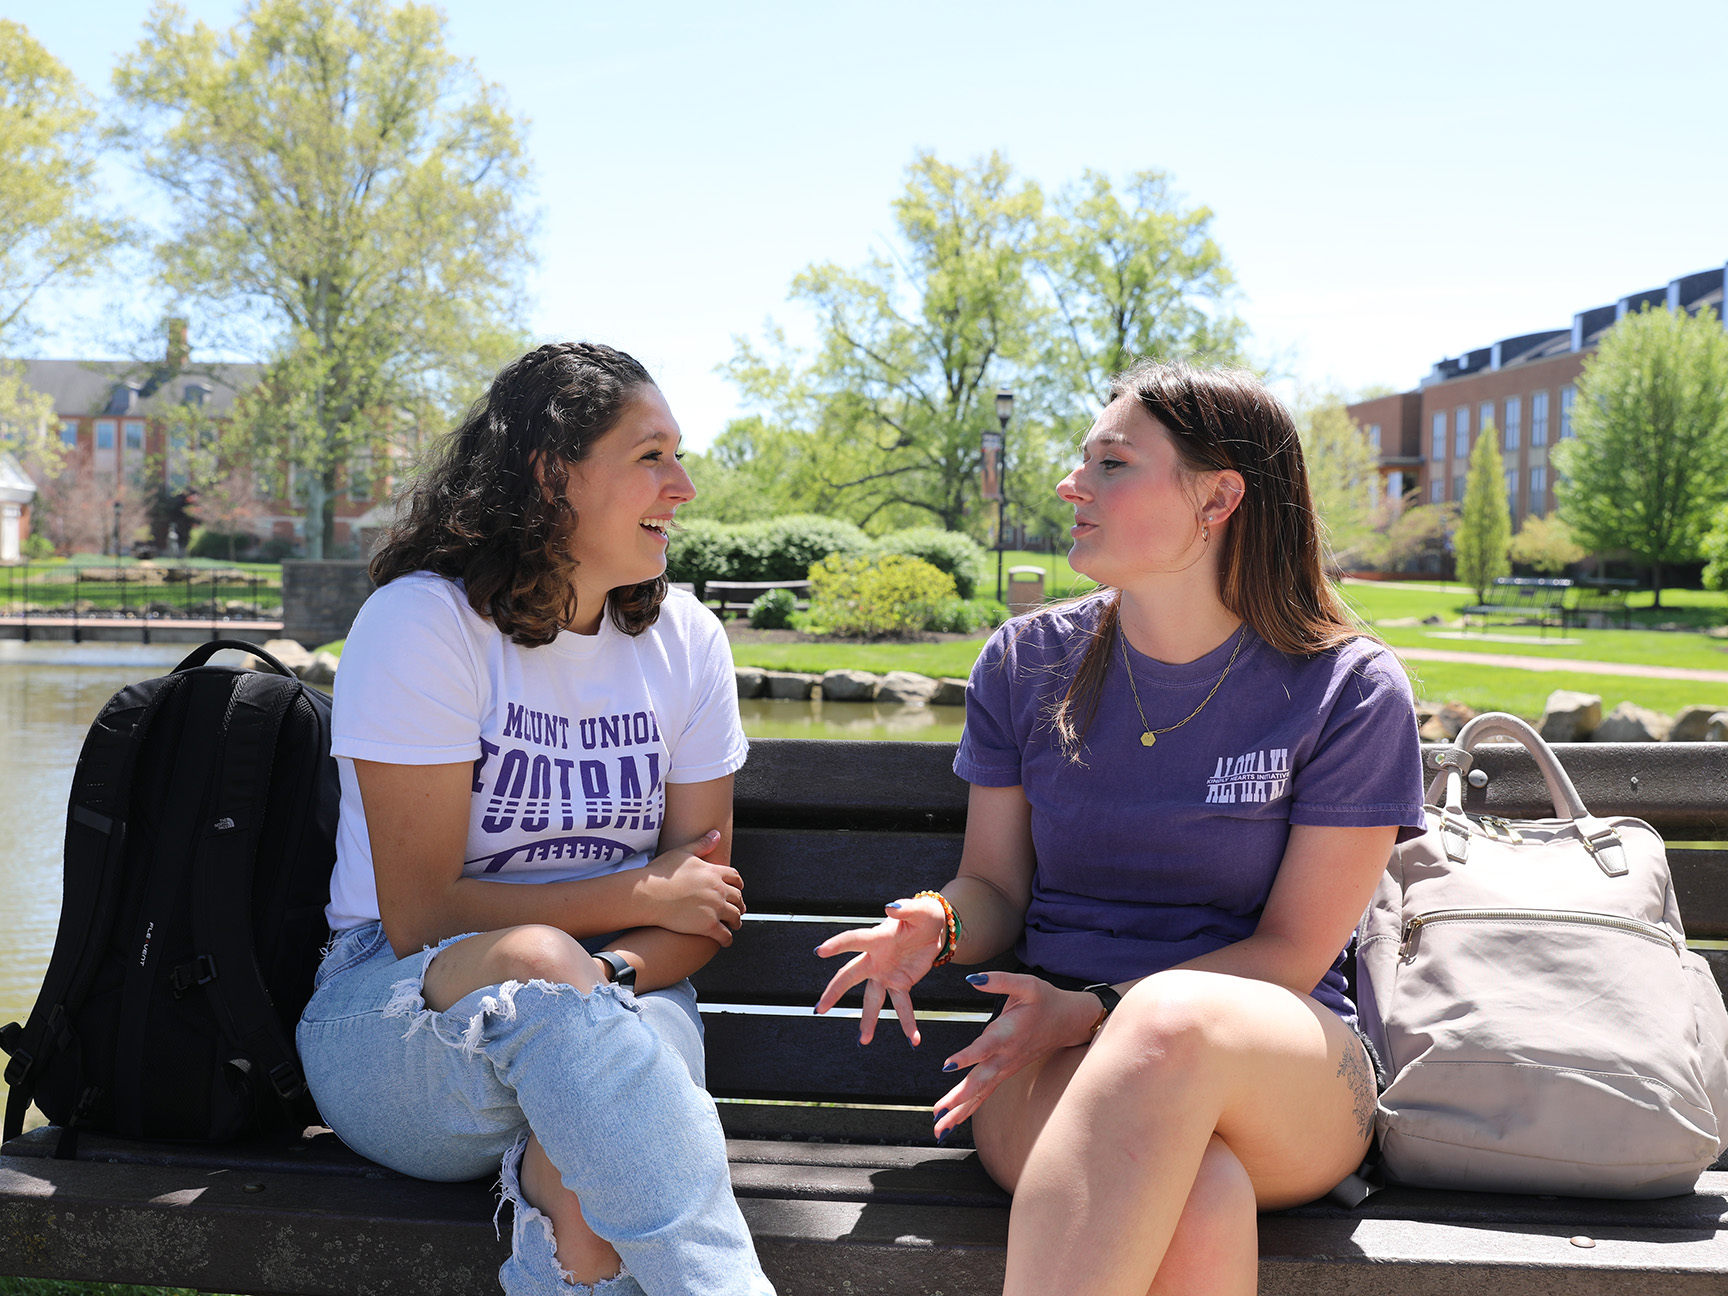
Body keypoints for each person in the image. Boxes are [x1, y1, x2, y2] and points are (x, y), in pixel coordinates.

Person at [814, 361, 1425, 1296]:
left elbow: (1295, 951)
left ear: (1219, 497)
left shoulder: (1349, 689)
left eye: (1110, 464)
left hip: (1281, 1067)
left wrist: (1104, 1004)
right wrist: (938, 923)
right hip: (1049, 1059)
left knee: (1169, 1019)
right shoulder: (1027, 662)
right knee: (1196, 1193)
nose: (1072, 485)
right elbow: (997, 890)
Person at [296, 342, 776, 1296]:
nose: (681, 485)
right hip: (402, 1024)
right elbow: (424, 917)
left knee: (590, 1195)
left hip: (631, 1001)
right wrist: (638, 896)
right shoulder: (424, 624)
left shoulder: (686, 642)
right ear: (553, 473)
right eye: (651, 455)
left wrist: (602, 976)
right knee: (536, 968)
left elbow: (704, 910)